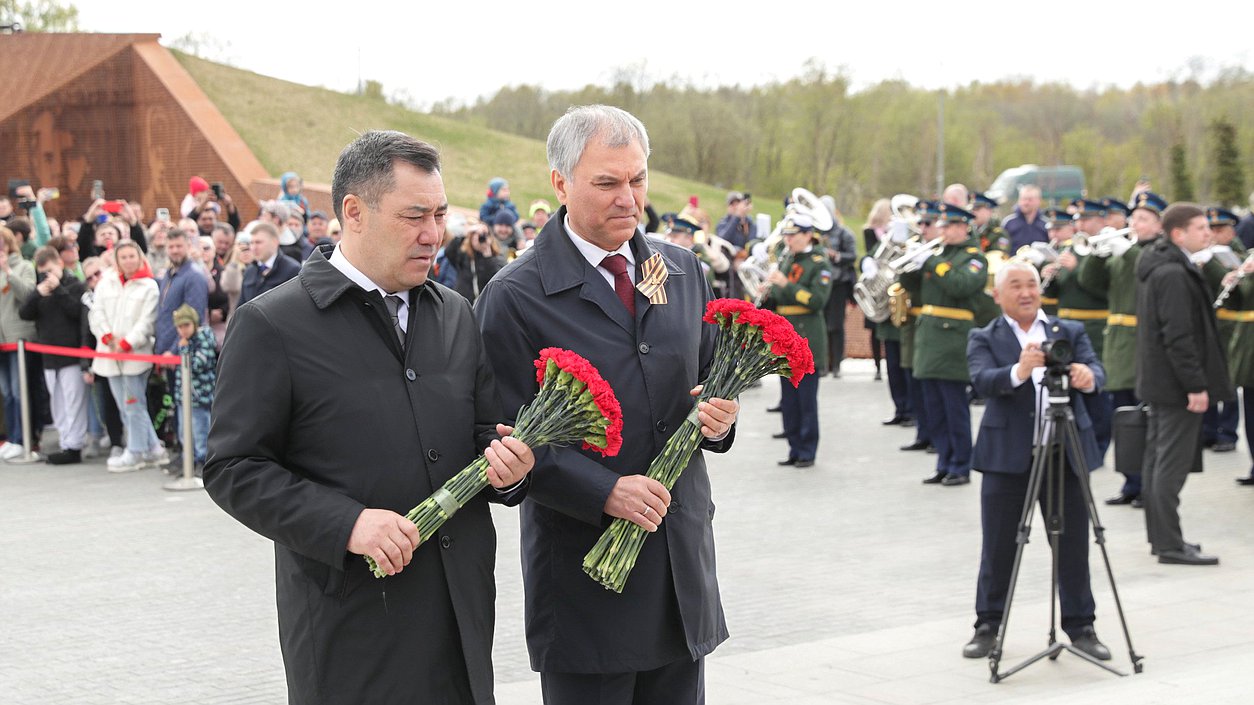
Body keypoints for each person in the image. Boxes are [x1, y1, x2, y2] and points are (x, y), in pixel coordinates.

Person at [204, 130, 535, 705]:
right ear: (353, 213)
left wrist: (508, 463)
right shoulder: (273, 324)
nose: (433, 235)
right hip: (351, 624)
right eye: (414, 217)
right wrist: (346, 524)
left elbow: (484, 430)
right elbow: (233, 467)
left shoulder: (456, 314)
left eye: (438, 215)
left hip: (459, 614)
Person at [474, 105, 740, 705]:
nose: (629, 198)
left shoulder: (681, 270)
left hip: (677, 568)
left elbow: (708, 383)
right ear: (560, 182)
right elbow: (501, 437)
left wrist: (722, 420)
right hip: (588, 580)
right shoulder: (514, 296)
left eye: (638, 179)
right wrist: (604, 490)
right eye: (607, 183)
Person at [962, 259, 1110, 661]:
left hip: (1065, 455)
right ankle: (988, 626)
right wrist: (1018, 370)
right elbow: (981, 381)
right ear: (998, 294)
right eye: (1016, 285)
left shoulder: (1069, 331)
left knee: (1074, 545)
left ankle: (1081, 628)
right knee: (998, 546)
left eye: (1032, 284)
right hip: (1007, 458)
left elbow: (1099, 371)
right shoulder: (984, 336)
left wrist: (1087, 376)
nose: (1026, 292)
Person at [1136, 203, 1233, 565]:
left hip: (1161, 381)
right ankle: (1170, 545)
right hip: (1176, 385)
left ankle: (1162, 539)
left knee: (1157, 460)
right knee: (1169, 465)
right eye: (1200, 227)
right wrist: (1195, 385)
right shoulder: (1173, 273)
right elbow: (1179, 335)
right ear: (1178, 234)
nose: (1207, 233)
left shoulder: (1162, 263)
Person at [1078, 191, 1167, 506]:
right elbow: (1089, 283)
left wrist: (1127, 252)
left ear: (1159, 224)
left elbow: (1148, 275)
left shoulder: (1159, 251)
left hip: (1142, 343)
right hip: (1117, 342)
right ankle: (1132, 482)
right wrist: (1097, 255)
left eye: (1144, 219)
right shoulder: (1124, 252)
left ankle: (1148, 484)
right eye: (1134, 218)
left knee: (1145, 418)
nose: (1135, 224)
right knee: (1124, 418)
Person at [899, 203, 987, 485]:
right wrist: (909, 265)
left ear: (964, 227)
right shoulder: (938, 254)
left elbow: (960, 285)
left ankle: (961, 464)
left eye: (949, 226)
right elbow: (914, 287)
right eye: (942, 226)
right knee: (933, 406)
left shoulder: (974, 258)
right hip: (928, 338)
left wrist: (931, 262)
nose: (943, 231)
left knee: (954, 406)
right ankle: (943, 461)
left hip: (952, 339)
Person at [88, 239, 167, 473]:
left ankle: (135, 451)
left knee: (134, 404)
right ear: (117, 260)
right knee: (125, 405)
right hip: (109, 355)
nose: (129, 261)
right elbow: (97, 312)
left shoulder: (149, 286)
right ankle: (153, 448)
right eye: (124, 257)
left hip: (135, 355)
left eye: (133, 256)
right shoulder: (106, 283)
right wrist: (106, 337)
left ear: (140, 257)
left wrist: (127, 342)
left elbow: (147, 320)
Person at [760, 213, 832, 466]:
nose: (788, 241)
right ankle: (793, 448)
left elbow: (816, 300)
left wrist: (784, 284)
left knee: (806, 400)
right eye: (787, 236)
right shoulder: (787, 258)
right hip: (785, 336)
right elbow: (780, 299)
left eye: (793, 236)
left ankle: (807, 450)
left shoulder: (819, 263)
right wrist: (767, 292)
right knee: (789, 399)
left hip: (808, 335)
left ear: (807, 235)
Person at [1043, 200, 1112, 462]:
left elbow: (1102, 291)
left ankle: (1099, 444)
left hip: (1094, 325)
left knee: (1096, 390)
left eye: (1087, 220)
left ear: (1101, 221)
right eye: (1079, 221)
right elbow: (1058, 293)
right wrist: (1050, 276)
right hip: (1065, 326)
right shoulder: (1070, 249)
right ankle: (1074, 444)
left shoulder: (1106, 251)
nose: (1081, 225)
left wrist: (1076, 268)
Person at [20, 246, 88, 464]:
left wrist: (58, 289)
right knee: (58, 403)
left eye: (49, 270)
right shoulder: (41, 290)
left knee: (74, 402)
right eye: (42, 272)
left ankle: (74, 445)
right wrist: (37, 293)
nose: (46, 276)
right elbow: (25, 314)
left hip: (70, 355)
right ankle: (64, 441)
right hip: (49, 356)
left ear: (59, 264)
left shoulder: (75, 285)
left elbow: (76, 311)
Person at [1200, 206, 1246, 453]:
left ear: (1231, 231)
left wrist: (1210, 264)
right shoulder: (1202, 254)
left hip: (1230, 325)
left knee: (1228, 379)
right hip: (1208, 322)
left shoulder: (1238, 254)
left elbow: (1230, 283)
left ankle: (1227, 432)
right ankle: (1208, 429)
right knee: (1207, 375)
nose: (1214, 234)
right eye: (1211, 229)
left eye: (1220, 229)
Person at [0, 227, 36, 459]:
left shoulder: (24, 266)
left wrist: (8, 272)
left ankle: (22, 438)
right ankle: (11, 438)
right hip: (1, 340)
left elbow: (28, 295)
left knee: (17, 391)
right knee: (6, 393)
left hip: (18, 339)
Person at [169, 304, 215, 473]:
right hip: (184, 396)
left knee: (201, 430)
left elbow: (197, 364)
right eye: (179, 327)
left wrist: (184, 348)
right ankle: (189, 459)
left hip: (200, 396)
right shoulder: (185, 341)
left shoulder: (204, 338)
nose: (183, 330)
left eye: (186, 325)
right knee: (183, 431)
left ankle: (204, 461)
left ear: (194, 324)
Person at [154, 229, 209, 356]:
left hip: (182, 354)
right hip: (164, 348)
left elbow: (194, 319)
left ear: (188, 246)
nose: (175, 250)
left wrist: (174, 351)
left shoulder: (194, 276)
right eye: (171, 247)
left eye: (179, 246)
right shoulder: (169, 274)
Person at [237, 222, 300, 307]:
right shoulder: (249, 271)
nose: (254, 247)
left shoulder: (292, 270)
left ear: (275, 242)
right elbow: (241, 307)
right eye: (252, 243)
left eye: (258, 242)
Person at [445, 219, 506, 304]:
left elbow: (497, 280)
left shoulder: (497, 257)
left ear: (490, 238)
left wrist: (487, 254)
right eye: (475, 234)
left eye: (484, 235)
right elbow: (449, 252)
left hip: (484, 305)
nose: (479, 238)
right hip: (463, 304)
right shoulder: (464, 255)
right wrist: (465, 234)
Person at [1002, 184, 1049, 251]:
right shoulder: (1009, 223)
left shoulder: (1046, 224)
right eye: (1023, 199)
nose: (1026, 203)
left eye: (1030, 200)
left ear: (1038, 201)